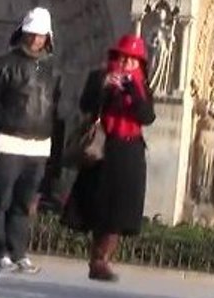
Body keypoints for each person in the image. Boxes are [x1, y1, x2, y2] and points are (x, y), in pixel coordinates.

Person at [62, 34, 156, 282]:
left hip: (129, 152)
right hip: (102, 149)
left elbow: (147, 116)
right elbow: (86, 105)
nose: (126, 63)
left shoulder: (141, 85)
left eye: (132, 60)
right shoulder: (99, 77)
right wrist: (104, 87)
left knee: (119, 211)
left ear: (140, 64)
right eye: (122, 57)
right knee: (98, 207)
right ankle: (96, 258)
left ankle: (101, 260)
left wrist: (132, 91)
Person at [0, 7, 61, 274]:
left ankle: (19, 252)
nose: (36, 39)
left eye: (41, 35)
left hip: (38, 145)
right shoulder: (1, 66)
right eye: (32, 34)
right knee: (1, 200)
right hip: (7, 142)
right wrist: (0, 125)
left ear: (48, 38)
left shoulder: (52, 72)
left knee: (24, 202)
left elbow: (54, 108)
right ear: (22, 33)